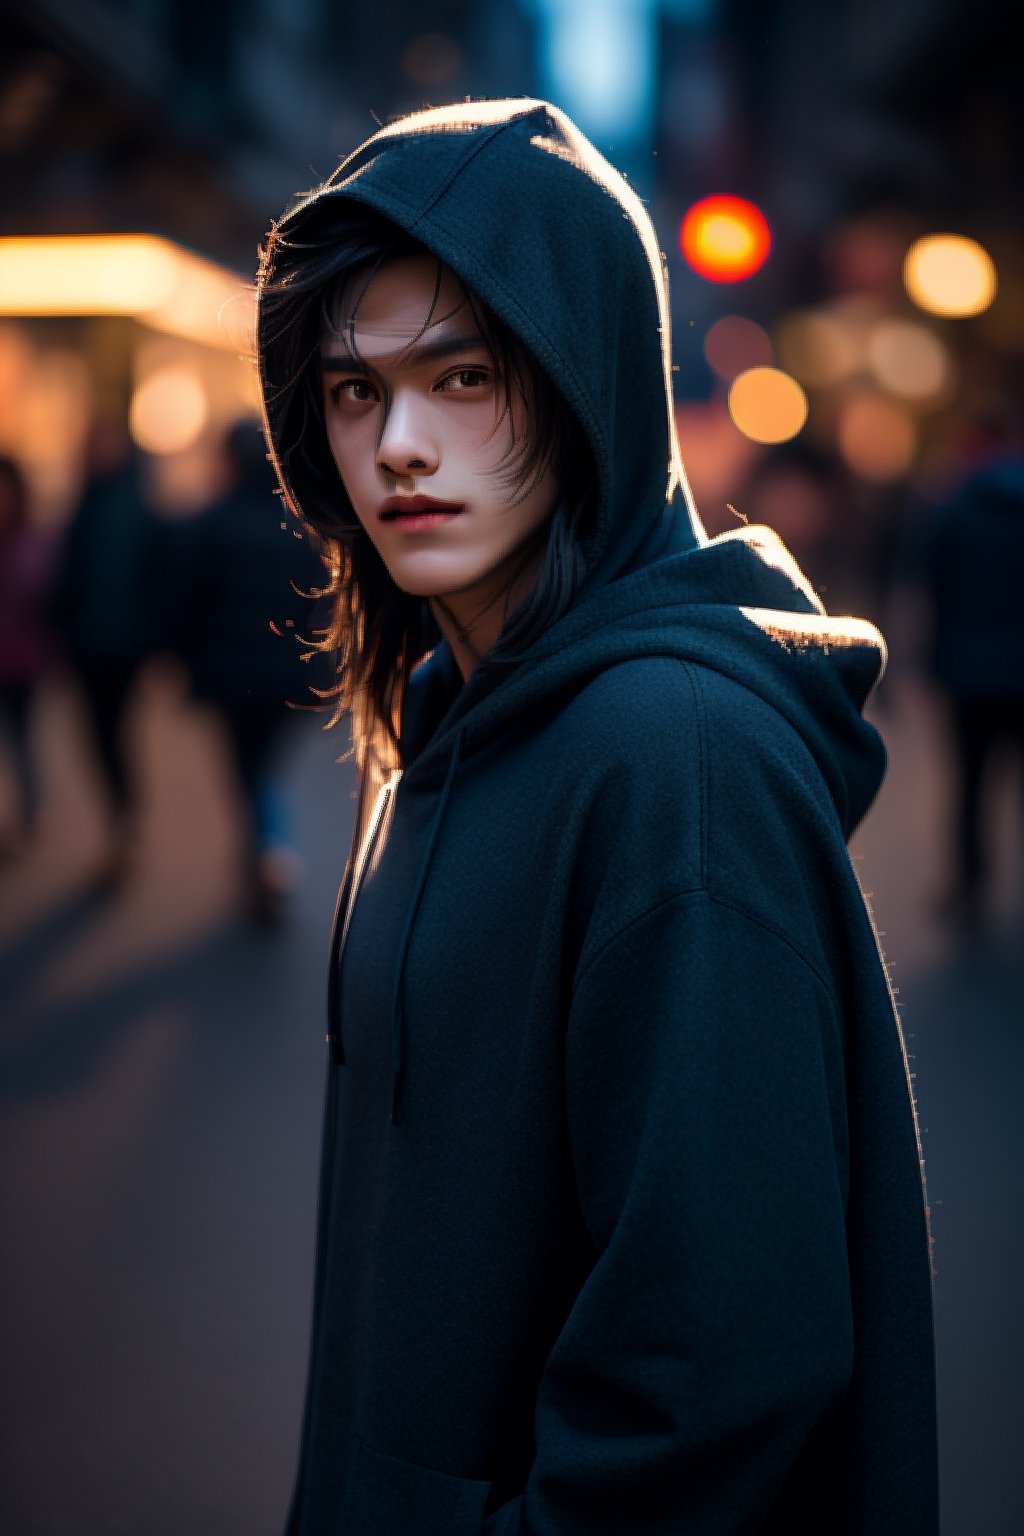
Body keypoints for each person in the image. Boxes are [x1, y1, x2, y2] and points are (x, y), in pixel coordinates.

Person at [256, 99, 937, 1535]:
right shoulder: (450, 706)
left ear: (585, 386)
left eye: (465, 376)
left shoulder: (675, 761)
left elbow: (718, 1365)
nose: (400, 446)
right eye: (354, 389)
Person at [168, 418, 332, 924]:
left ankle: (265, 853)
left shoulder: (210, 522)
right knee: (267, 769)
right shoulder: (303, 526)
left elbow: (184, 606)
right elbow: (323, 602)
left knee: (245, 767)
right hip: (290, 675)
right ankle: (268, 851)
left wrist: (183, 662)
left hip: (229, 675)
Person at [914, 408, 1024, 930]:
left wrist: (927, 663)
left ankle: (969, 885)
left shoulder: (954, 507)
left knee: (969, 783)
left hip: (968, 667)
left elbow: (931, 593)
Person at [51, 414, 161, 887]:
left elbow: (158, 579)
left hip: (125, 645)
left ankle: (124, 827)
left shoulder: (140, 506)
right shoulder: (85, 503)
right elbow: (68, 573)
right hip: (86, 643)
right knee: (95, 737)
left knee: (114, 735)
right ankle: (120, 823)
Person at [0, 454, 57, 857]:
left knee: (21, 739)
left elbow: (40, 591)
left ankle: (31, 812)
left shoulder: (32, 539)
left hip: (21, 658)